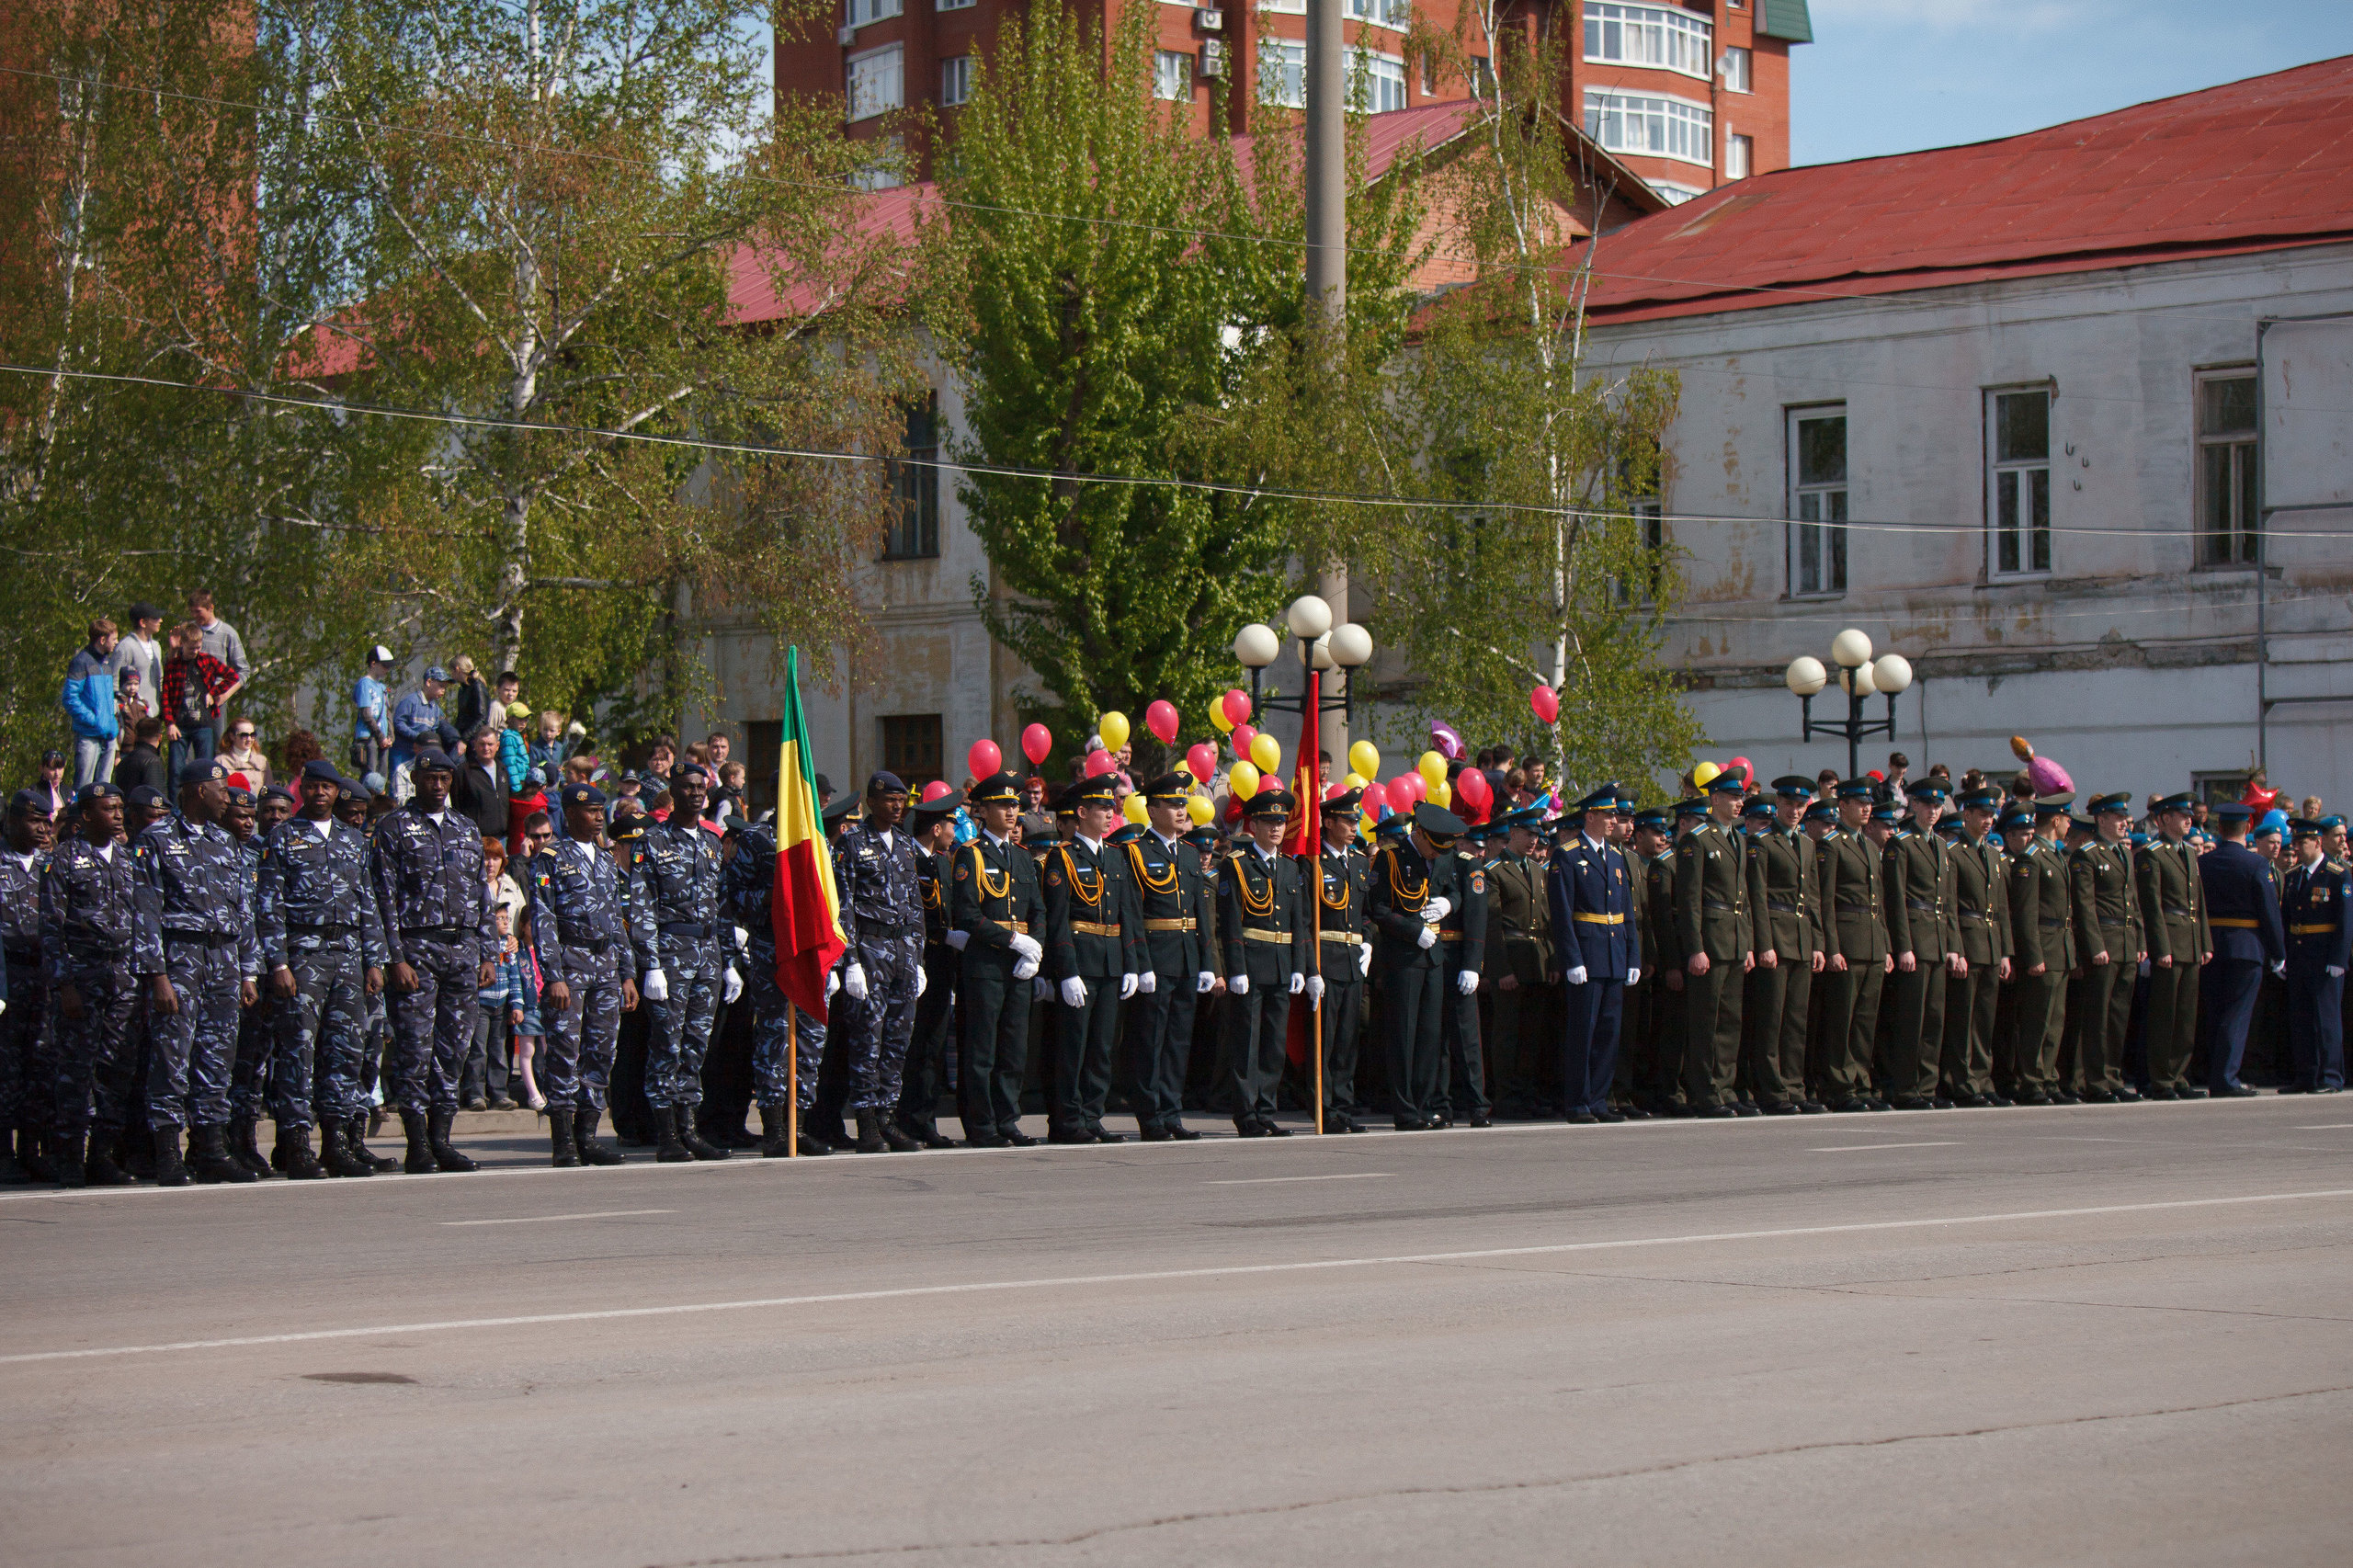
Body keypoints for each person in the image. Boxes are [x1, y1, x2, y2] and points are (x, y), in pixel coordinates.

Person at [129, 759, 262, 1187]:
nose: (227, 795)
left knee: (218, 1056)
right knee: (172, 1055)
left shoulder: (227, 842)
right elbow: (146, 911)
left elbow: (243, 910)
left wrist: (248, 971)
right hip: (181, 958)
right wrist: (157, 975)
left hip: (223, 957)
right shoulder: (157, 840)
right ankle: (167, 1152)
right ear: (195, 791)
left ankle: (212, 1149)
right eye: (219, 788)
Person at [255, 761, 387, 1178]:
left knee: (345, 1051)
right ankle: (295, 1144)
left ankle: (337, 1141)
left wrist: (374, 959)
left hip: (347, 953)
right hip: (303, 953)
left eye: (327, 788)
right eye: (312, 787)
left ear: (336, 793)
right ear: (302, 791)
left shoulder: (353, 840)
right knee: (299, 1050)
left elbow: (368, 901)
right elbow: (269, 905)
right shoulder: (282, 837)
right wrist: (278, 962)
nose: (320, 794)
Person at [371, 747, 498, 1172]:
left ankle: (441, 1139)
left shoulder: (465, 828)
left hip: (462, 950)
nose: (438, 785)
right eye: (430, 779)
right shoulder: (393, 828)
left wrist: (487, 953)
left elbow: (483, 895)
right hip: (416, 949)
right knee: (414, 1048)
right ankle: (417, 1144)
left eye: (444, 778)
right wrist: (395, 957)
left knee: (454, 1049)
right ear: (417, 781)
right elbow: (383, 899)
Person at [529, 784, 642, 1167]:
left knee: (601, 1052)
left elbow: (616, 921)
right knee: (564, 1051)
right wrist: (553, 975)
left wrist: (627, 974)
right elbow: (543, 920)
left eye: (601, 811)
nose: (598, 818)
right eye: (591, 811)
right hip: (571, 963)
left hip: (606, 966)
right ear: (570, 813)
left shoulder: (606, 860)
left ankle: (588, 1136)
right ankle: (563, 1140)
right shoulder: (550, 859)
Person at [628, 760, 734, 1161]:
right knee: (666, 1045)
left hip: (708, 955)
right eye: (688, 786)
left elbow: (720, 906)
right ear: (674, 790)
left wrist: (728, 961)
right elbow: (642, 906)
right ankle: (666, 1134)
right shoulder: (652, 841)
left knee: (695, 1045)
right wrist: (650, 963)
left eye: (700, 787)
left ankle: (689, 1128)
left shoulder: (709, 842)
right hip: (671, 955)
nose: (695, 793)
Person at [41, 783, 146, 1187]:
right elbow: (51, 927)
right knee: (76, 1070)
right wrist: (64, 985)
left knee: (117, 1067)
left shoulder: (129, 858)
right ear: (86, 817)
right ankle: (69, 1156)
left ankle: (102, 1154)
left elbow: (142, 920)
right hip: (82, 977)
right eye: (108, 809)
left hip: (123, 976)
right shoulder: (63, 860)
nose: (118, 815)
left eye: (120, 808)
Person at [1040, 771, 1139, 1143]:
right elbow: (1058, 919)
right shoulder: (1062, 858)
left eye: (1111, 806)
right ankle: (1067, 1120)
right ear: (1081, 812)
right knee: (1073, 1046)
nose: (1110, 813)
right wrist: (1065, 971)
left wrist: (1132, 964)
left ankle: (1092, 1117)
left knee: (1101, 1047)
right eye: (1101, 807)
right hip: (1080, 962)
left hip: (1111, 962)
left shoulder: (1116, 858)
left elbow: (1127, 914)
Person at [832, 771, 929, 1153]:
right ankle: (867, 1124)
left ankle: (888, 1118)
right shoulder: (852, 844)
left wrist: (918, 958)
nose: (897, 805)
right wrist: (851, 960)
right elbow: (845, 907)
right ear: (871, 802)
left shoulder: (905, 845)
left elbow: (915, 906)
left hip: (903, 952)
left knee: (897, 1042)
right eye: (890, 799)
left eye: (902, 799)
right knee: (867, 1042)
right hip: (870, 952)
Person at [950, 770, 1047, 1147]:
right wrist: (1013, 941)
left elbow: (1037, 909)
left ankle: (1008, 1120)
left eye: (1015, 805)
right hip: (987, 964)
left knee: (1013, 1049)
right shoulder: (970, 854)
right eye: (1004, 805)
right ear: (983, 810)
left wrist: (1034, 949)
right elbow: (968, 915)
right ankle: (981, 1124)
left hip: (1018, 965)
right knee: (982, 1049)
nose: (1012, 812)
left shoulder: (1022, 858)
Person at [1120, 774, 1215, 1142]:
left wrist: (1207, 961)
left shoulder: (1190, 853)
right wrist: (1141, 964)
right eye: (1173, 804)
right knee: (1150, 1039)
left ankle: (1172, 1111)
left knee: (1178, 1040)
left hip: (1187, 956)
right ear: (1152, 809)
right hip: (1156, 957)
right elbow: (1132, 913)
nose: (1181, 810)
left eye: (1183, 804)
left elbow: (1200, 913)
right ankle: (1150, 1114)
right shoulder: (1136, 851)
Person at [1368, 802, 1472, 1131]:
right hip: (1404, 957)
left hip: (1434, 956)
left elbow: (1453, 890)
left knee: (1430, 1034)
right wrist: (1414, 931)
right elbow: (1379, 908)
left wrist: (1449, 903)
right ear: (1419, 833)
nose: (1434, 855)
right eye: (1432, 846)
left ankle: (1426, 1105)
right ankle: (1406, 1108)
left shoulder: (1441, 856)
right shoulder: (1391, 857)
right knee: (1404, 1034)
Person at [1218, 786, 1305, 1137]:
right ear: (1253, 825)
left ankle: (1266, 1110)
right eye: (1268, 821)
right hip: (1251, 966)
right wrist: (1236, 969)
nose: (1276, 828)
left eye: (1281, 822)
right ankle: (1246, 1113)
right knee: (1247, 1042)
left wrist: (1300, 965)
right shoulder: (1237, 865)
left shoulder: (1288, 867)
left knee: (1273, 1044)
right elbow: (1231, 921)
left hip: (1282, 965)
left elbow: (1298, 921)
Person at [1552, 790, 1640, 1124]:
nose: (1613, 821)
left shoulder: (1617, 857)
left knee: (1608, 1032)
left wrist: (1633, 956)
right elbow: (1562, 915)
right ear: (1590, 817)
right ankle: (1578, 1102)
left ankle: (1599, 1099)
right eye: (1607, 815)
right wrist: (1572, 959)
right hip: (1587, 955)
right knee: (1583, 1032)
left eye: (1614, 815)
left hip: (1614, 953)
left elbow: (1626, 913)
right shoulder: (1569, 855)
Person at [1675, 770, 1756, 1118]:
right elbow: (1690, 899)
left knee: (1729, 1021)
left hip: (1736, 938)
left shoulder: (1738, 839)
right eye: (1733, 797)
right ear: (1715, 799)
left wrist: (1749, 943)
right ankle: (1704, 1090)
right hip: (1712, 940)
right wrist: (1696, 947)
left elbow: (1745, 896)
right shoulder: (1698, 839)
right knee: (1706, 1021)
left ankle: (1724, 1086)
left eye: (1741, 798)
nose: (1739, 803)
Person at [1745, 778, 1825, 1114]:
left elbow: (1815, 898)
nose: (1795, 811)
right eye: (1790, 804)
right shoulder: (1762, 842)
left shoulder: (1806, 844)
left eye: (1801, 805)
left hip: (1802, 936)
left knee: (1796, 1019)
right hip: (1775, 936)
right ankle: (1771, 1089)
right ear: (1777, 804)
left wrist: (1818, 942)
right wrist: (1764, 943)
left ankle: (1794, 1087)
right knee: (1771, 1018)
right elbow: (1757, 897)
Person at [2197, 801, 2285, 1097]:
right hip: (2246, 947)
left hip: (2210, 945)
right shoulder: (2256, 864)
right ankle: (2226, 1078)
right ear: (2247, 828)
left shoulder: (2203, 863)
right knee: (2237, 1013)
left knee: (2215, 1012)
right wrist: (2278, 951)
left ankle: (2216, 1075)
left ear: (2219, 828)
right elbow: (2270, 912)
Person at [1881, 780, 1960, 1110]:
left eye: (1937, 806)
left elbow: (1949, 901)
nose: (1933, 811)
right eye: (1927, 805)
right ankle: (1905, 1086)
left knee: (1933, 1019)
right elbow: (1896, 899)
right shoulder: (1902, 844)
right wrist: (1904, 945)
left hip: (1938, 938)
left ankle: (1927, 1086)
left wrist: (1954, 945)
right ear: (1913, 804)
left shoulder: (1941, 846)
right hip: (1915, 936)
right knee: (1910, 1018)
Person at [1814, 779, 1891, 1113]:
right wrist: (1831, 947)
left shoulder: (1872, 847)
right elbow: (1825, 901)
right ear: (1841, 806)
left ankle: (1860, 1080)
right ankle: (1838, 1084)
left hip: (1872, 941)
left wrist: (1885, 945)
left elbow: (1881, 902)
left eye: (1868, 803)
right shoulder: (1831, 845)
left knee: (1864, 1019)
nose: (1866, 808)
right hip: (1847, 940)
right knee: (1841, 1018)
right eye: (1859, 803)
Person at [1302, 787, 1372, 1133]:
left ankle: (1344, 1108)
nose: (1353, 824)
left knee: (1348, 1040)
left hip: (1352, 961)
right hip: (1326, 959)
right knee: (1324, 1041)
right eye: (1347, 819)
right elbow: (1303, 921)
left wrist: (1368, 942)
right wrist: (1311, 969)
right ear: (1328, 822)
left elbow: (1368, 914)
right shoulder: (1312, 862)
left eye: (1356, 818)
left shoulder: (1359, 862)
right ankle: (1324, 1107)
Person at [1939, 786, 2013, 1107]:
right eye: (1982, 814)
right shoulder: (1953, 852)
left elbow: (2002, 908)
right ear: (1966, 814)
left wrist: (2006, 951)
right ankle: (1961, 1080)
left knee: (1984, 1018)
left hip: (1991, 942)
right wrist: (1956, 947)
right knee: (1962, 1017)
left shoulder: (1994, 855)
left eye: (1991, 815)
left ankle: (1982, 1077)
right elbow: (1950, 905)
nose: (1988, 820)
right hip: (1968, 941)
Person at [2137, 792, 2212, 1099]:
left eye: (2189, 815)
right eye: (2182, 815)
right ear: (2164, 819)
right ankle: (2161, 1077)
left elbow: (2200, 901)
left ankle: (2179, 1073)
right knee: (2164, 1014)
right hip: (2169, 937)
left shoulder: (2191, 853)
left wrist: (2205, 941)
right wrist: (2160, 947)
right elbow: (2151, 905)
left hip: (2191, 938)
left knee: (2185, 1015)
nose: (2188, 820)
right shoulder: (2152, 853)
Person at [1483, 802, 1553, 1120]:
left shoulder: (1538, 871)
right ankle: (1506, 1095)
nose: (1533, 840)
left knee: (1532, 1033)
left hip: (1536, 958)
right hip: (1512, 958)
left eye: (1537, 834)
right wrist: (1501, 970)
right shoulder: (1495, 871)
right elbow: (1492, 925)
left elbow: (1547, 918)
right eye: (1527, 833)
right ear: (1512, 833)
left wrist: (1551, 961)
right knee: (1508, 1034)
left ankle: (1526, 1092)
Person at [3, 792, 56, 1180]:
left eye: (46, 822)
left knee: (41, 1064)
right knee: (6, 1067)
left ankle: (32, 1149)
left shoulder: (51, 865)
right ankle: (4, 1151)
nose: (41, 829)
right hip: (8, 977)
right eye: (34, 821)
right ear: (12, 821)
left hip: (45, 978)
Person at [2280, 818, 2348, 1095]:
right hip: (2299, 955)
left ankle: (2331, 1076)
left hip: (2324, 956)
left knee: (2327, 1020)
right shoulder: (2294, 876)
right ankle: (2306, 1075)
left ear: (2317, 842)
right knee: (2301, 1020)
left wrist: (2338, 959)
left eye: (2301, 842)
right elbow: (2287, 919)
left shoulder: (2336, 874)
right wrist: (2284, 955)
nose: (2295, 847)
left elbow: (2345, 922)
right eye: (2294, 842)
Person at [63, 618, 123, 789]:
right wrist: (94, 720)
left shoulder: (106, 663)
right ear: (102, 640)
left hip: (108, 735)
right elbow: (70, 698)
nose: (116, 643)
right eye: (114, 639)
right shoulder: (81, 662)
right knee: (84, 788)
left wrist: (111, 723)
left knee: (104, 790)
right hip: (88, 735)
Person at [389, 667, 451, 801]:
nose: (443, 691)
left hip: (420, 754)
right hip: (403, 752)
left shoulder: (435, 709)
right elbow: (398, 722)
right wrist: (418, 737)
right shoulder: (411, 701)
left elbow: (433, 730)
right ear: (428, 682)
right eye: (441, 686)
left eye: (445, 688)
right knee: (397, 783)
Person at [453, 727, 510, 844]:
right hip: (475, 839)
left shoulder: (502, 769)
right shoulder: (464, 771)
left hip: (502, 839)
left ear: (497, 746)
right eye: (482, 744)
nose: (486, 748)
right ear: (474, 745)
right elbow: (456, 805)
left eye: (490, 744)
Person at [353, 645, 395, 781]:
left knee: (382, 776)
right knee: (370, 776)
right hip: (369, 737)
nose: (387, 669)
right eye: (384, 666)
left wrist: (390, 736)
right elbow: (366, 714)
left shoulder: (382, 687)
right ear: (373, 664)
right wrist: (380, 736)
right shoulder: (365, 684)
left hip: (382, 738)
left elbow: (387, 713)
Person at [112, 717, 167, 799]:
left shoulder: (125, 760)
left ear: (136, 735)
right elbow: (156, 798)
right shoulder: (153, 761)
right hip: (144, 810)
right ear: (160, 737)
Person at [220, 718, 270, 789]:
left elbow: (270, 791)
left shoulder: (262, 761)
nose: (249, 739)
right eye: (244, 735)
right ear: (232, 736)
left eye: (252, 735)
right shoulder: (221, 761)